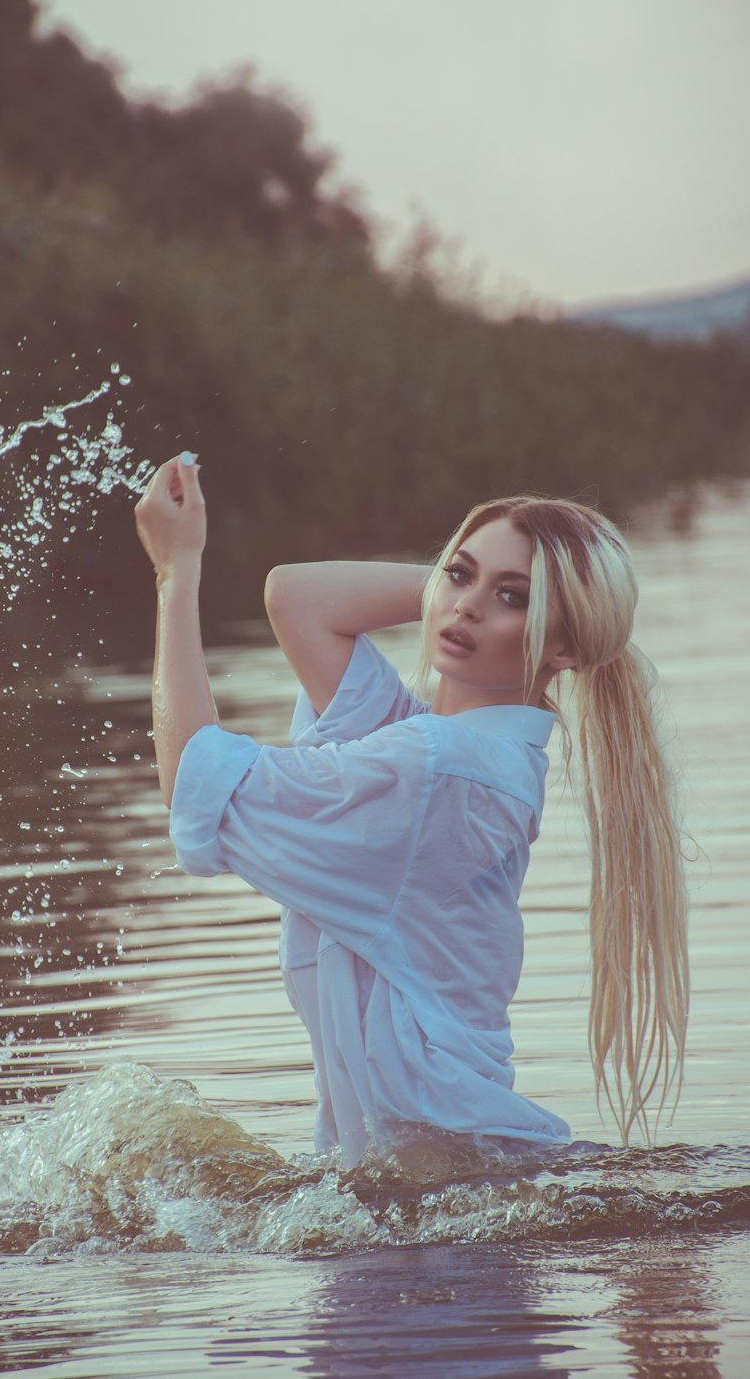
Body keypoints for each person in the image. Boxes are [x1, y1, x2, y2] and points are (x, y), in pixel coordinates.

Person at [134, 452, 690, 1167]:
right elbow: (297, 597)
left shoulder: (434, 769)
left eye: (515, 598)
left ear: (566, 645)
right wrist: (463, 586)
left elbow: (190, 781)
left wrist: (176, 577)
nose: (466, 606)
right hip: (440, 1198)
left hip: (437, 1227)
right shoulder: (444, 752)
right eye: (460, 575)